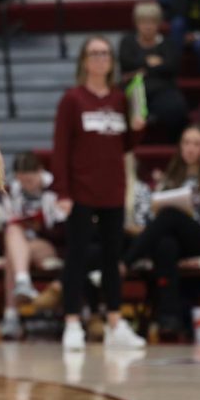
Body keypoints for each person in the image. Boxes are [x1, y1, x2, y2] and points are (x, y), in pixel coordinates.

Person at [52, 37, 148, 351]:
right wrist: (63, 192)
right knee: (76, 259)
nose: (100, 58)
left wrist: (137, 127)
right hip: (79, 192)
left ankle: (116, 323)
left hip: (113, 191)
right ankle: (72, 323)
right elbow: (61, 149)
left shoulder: (121, 99)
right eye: (94, 53)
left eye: (105, 53)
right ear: (83, 60)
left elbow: (128, 146)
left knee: (112, 259)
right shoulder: (72, 99)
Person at [122, 125, 200, 338]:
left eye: (197, 144)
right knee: (165, 244)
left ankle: (125, 263)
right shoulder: (170, 177)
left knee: (171, 215)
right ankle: (170, 318)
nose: (191, 148)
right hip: (179, 241)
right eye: (186, 143)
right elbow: (154, 213)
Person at [0, 151, 63, 339]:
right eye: (23, 180)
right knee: (13, 234)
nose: (27, 184)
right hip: (20, 245)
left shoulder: (55, 187)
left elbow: (62, 230)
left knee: (14, 251)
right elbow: (4, 222)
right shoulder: (10, 190)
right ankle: (22, 282)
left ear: (40, 172)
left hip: (48, 245)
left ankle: (11, 315)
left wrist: (39, 225)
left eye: (31, 180)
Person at [119, 1, 188, 140]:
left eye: (152, 22)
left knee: (177, 107)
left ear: (159, 23)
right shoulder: (127, 41)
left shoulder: (167, 43)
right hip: (134, 88)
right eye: (144, 22)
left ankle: (173, 143)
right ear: (136, 23)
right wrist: (153, 63)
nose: (148, 26)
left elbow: (172, 67)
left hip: (163, 89)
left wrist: (141, 68)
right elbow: (126, 63)